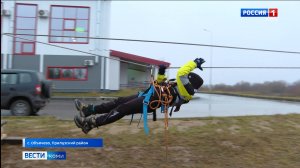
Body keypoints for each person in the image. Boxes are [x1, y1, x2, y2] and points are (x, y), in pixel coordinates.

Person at [74, 58, 205, 134]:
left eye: (187, 77)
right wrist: (161, 72)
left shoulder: (187, 91)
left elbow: (182, 72)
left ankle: (90, 124)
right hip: (148, 94)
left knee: (122, 109)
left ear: (190, 82)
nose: (185, 77)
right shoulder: (181, 86)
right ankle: (88, 111)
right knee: (118, 102)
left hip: (151, 101)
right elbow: (160, 83)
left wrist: (194, 63)